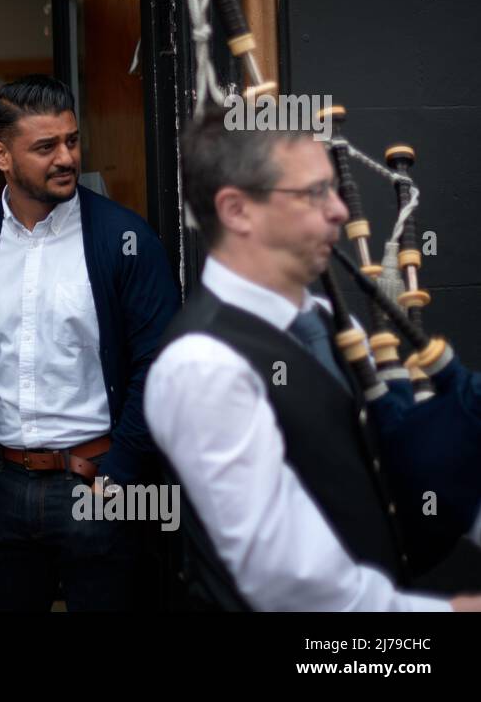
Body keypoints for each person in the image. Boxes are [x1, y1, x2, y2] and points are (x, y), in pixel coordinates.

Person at [144, 108, 481, 611]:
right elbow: (288, 582)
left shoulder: (330, 322)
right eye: (314, 192)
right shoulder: (203, 366)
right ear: (237, 210)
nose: (342, 210)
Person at [0, 75, 180, 611]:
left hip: (98, 484)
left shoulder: (125, 239)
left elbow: (162, 363)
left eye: (71, 141)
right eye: (45, 147)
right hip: (1, 489)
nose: (65, 158)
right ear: (1, 154)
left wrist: (121, 469)